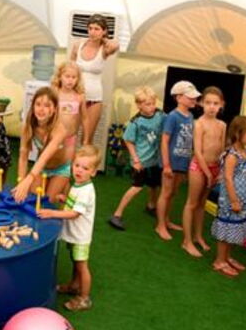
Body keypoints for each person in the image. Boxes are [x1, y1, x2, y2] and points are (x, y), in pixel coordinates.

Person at [38, 145, 99, 311]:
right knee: (75, 261)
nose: (79, 170)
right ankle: (74, 286)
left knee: (81, 265)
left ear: (93, 172)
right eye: (77, 165)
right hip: (74, 234)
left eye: (85, 168)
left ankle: (84, 298)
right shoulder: (78, 184)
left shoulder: (86, 190)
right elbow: (75, 204)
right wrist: (65, 199)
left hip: (80, 237)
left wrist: (52, 213)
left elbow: (75, 214)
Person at [108, 87, 165, 231]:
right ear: (139, 105)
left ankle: (151, 206)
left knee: (154, 185)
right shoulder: (136, 122)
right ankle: (117, 214)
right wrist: (136, 160)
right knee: (136, 187)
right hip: (141, 161)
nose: (152, 107)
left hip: (155, 160)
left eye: (153, 103)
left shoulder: (159, 114)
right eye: (148, 104)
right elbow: (128, 140)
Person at [211, 116, 246, 278]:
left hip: (244, 199)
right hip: (232, 201)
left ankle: (227, 256)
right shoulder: (232, 155)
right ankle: (220, 260)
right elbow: (227, 178)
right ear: (238, 134)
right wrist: (233, 200)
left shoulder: (245, 152)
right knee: (227, 229)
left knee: (235, 229)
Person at [181, 87, 226, 257]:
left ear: (221, 105)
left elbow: (222, 149)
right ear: (201, 103)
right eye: (208, 103)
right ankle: (187, 241)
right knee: (192, 203)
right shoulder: (198, 123)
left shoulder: (222, 125)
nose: (211, 107)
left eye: (215, 103)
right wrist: (207, 173)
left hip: (214, 168)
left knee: (202, 204)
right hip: (199, 168)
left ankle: (198, 236)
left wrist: (220, 171)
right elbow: (198, 152)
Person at [155, 81, 200, 240]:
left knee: (173, 192)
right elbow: (164, 141)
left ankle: (166, 220)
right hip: (171, 162)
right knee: (166, 193)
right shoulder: (172, 117)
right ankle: (160, 225)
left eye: (194, 97)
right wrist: (166, 165)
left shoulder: (191, 116)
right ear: (179, 97)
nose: (194, 100)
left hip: (182, 162)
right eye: (190, 97)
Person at [13, 87, 73, 203]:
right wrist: (21, 182)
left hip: (60, 169)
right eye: (38, 104)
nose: (41, 109)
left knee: (47, 201)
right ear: (33, 106)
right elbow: (23, 158)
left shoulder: (59, 129)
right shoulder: (28, 127)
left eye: (47, 105)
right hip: (42, 168)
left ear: (54, 109)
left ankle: (64, 185)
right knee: (33, 198)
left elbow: (45, 157)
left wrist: (29, 179)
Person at [70, 14, 119, 146]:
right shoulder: (78, 45)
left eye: (97, 29)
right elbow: (70, 69)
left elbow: (116, 45)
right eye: (90, 28)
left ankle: (86, 160)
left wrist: (104, 39)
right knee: (70, 136)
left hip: (94, 99)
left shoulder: (105, 48)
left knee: (86, 139)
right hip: (76, 96)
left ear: (104, 31)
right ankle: (68, 160)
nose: (92, 32)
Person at [50, 61, 85, 155]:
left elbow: (85, 118)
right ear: (60, 77)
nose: (70, 80)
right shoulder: (55, 93)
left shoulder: (79, 96)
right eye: (67, 76)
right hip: (54, 136)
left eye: (74, 77)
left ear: (78, 79)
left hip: (71, 138)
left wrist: (86, 138)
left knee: (68, 160)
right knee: (53, 158)